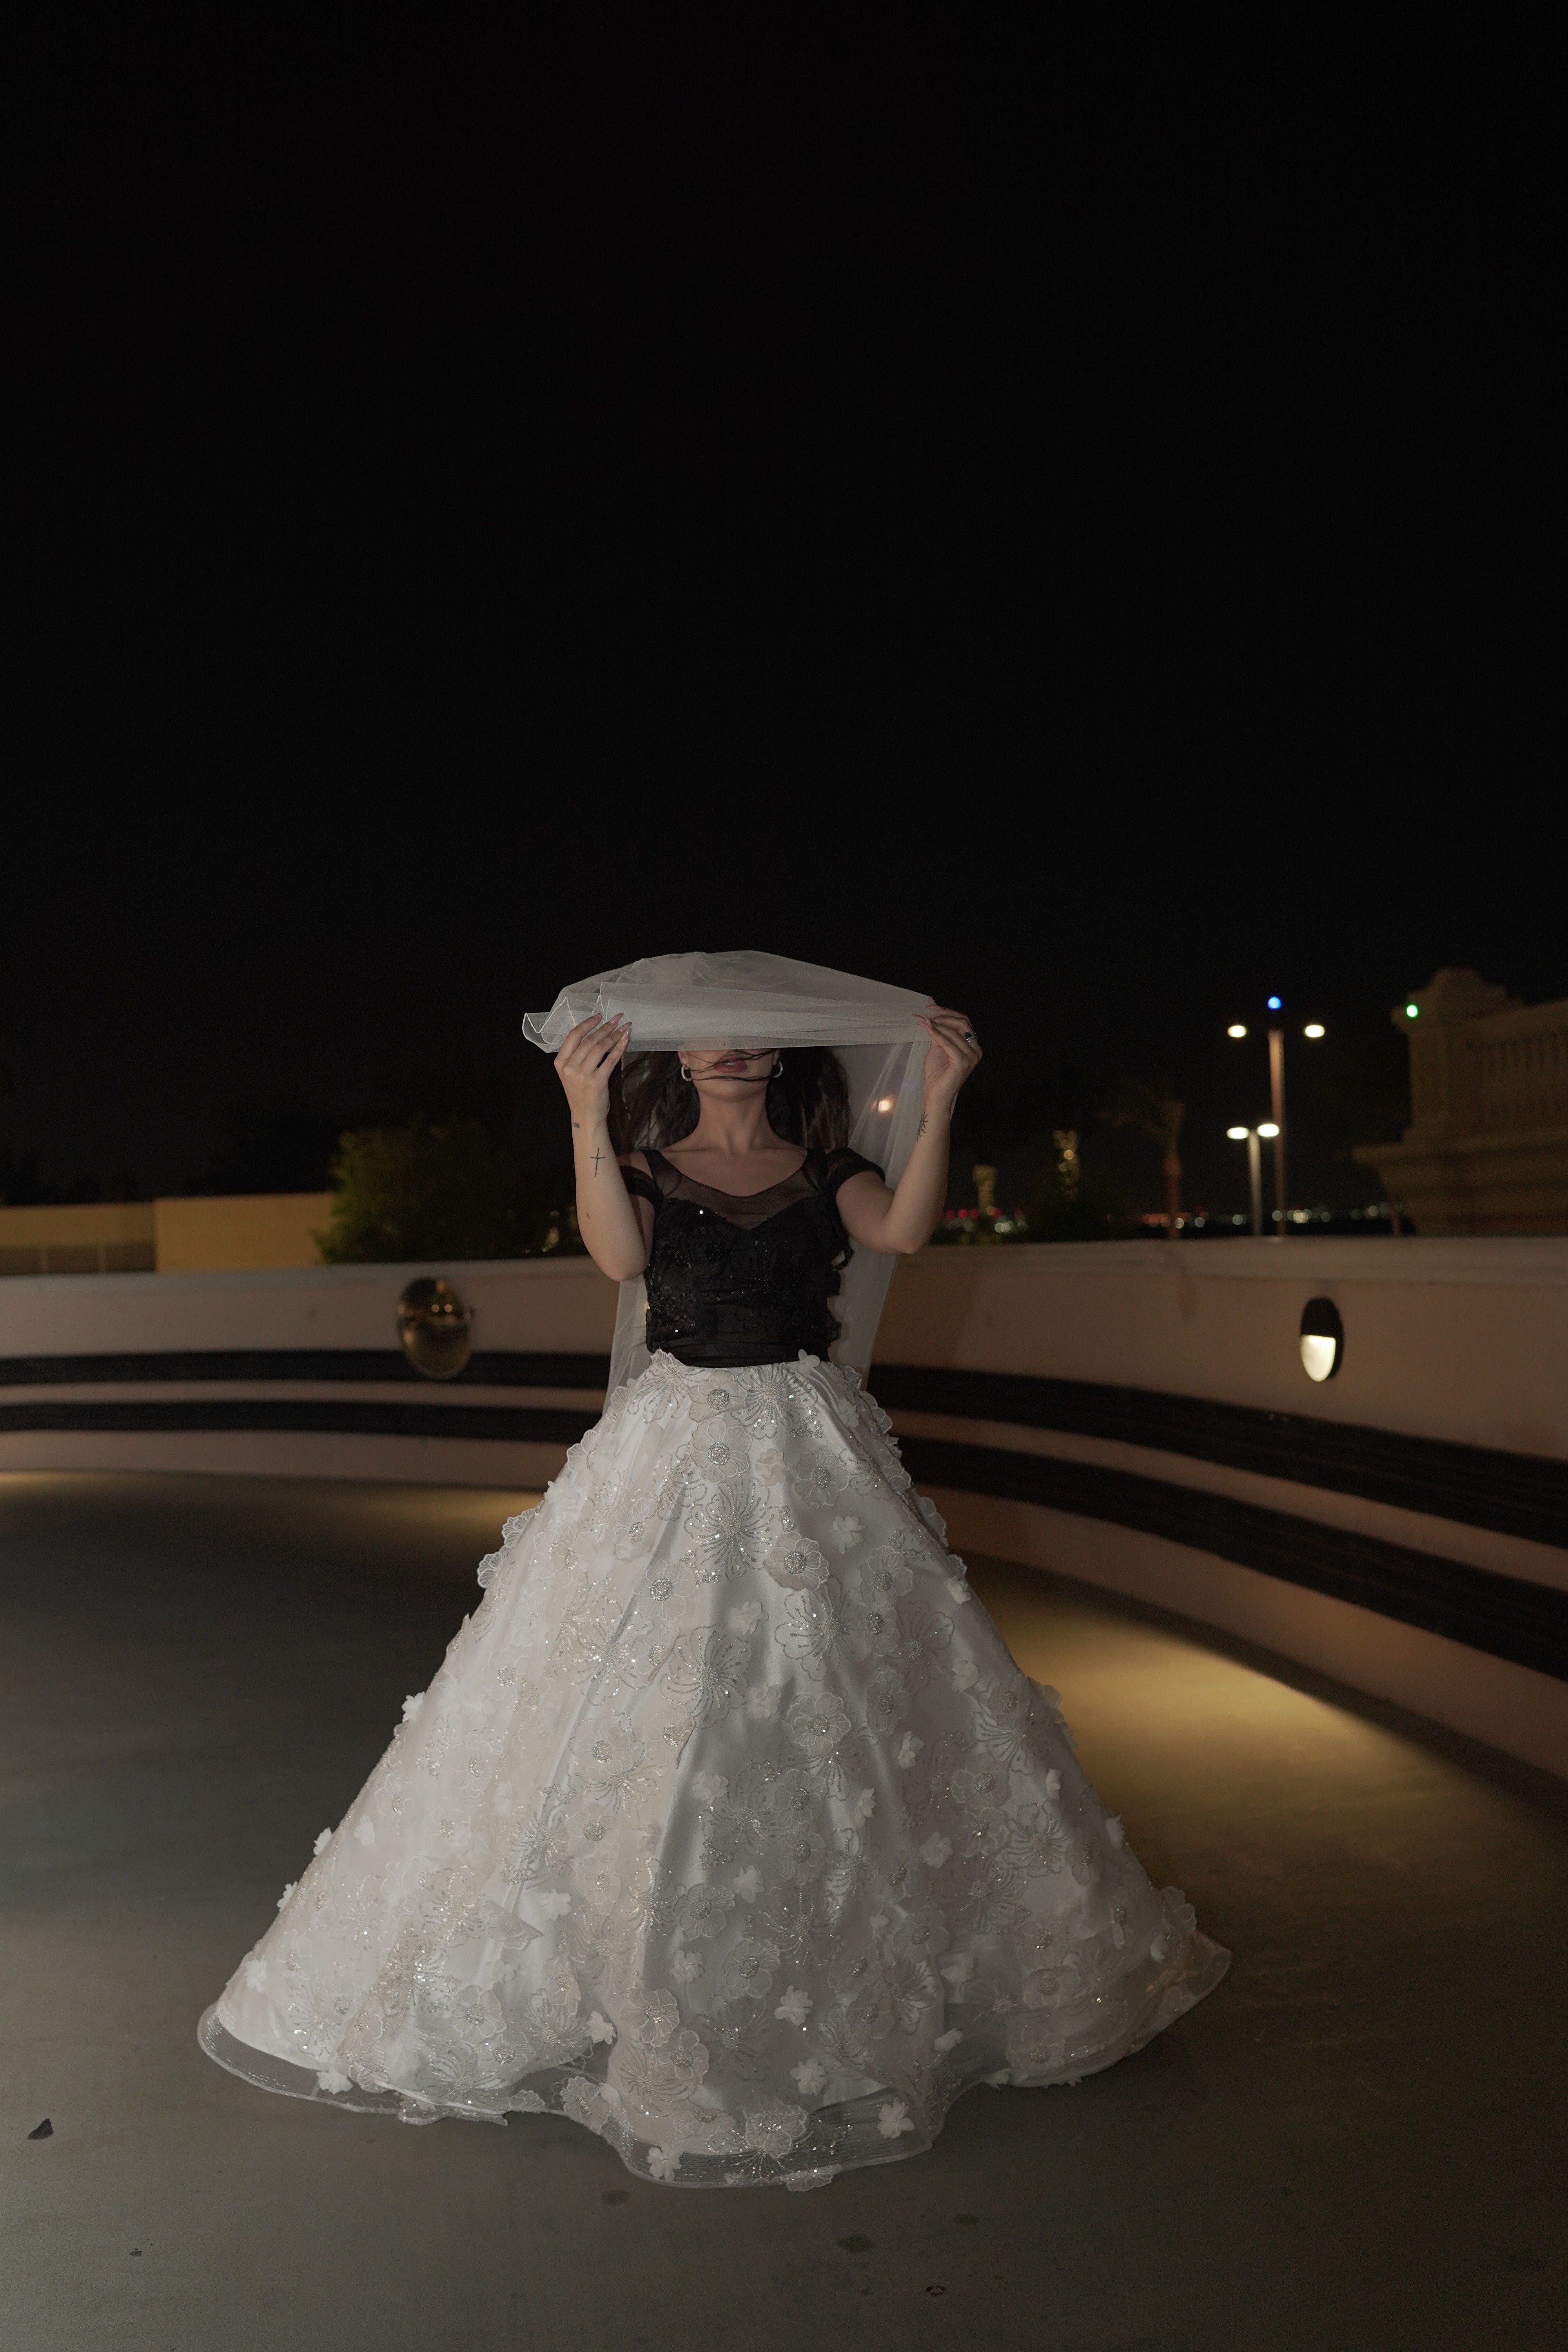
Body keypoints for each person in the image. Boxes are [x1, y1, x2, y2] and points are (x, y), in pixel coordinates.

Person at [200, 952, 1227, 2189]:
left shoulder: (825, 1167)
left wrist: (944, 1094)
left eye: (753, 1033)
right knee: (647, 1693)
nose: (731, 1049)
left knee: (837, 1694)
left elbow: (904, 1229)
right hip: (675, 1441)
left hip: (808, 1442)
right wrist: (584, 1115)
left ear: (780, 1052)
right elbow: (622, 1266)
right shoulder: (641, 1165)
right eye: (707, 1034)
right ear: (678, 1055)